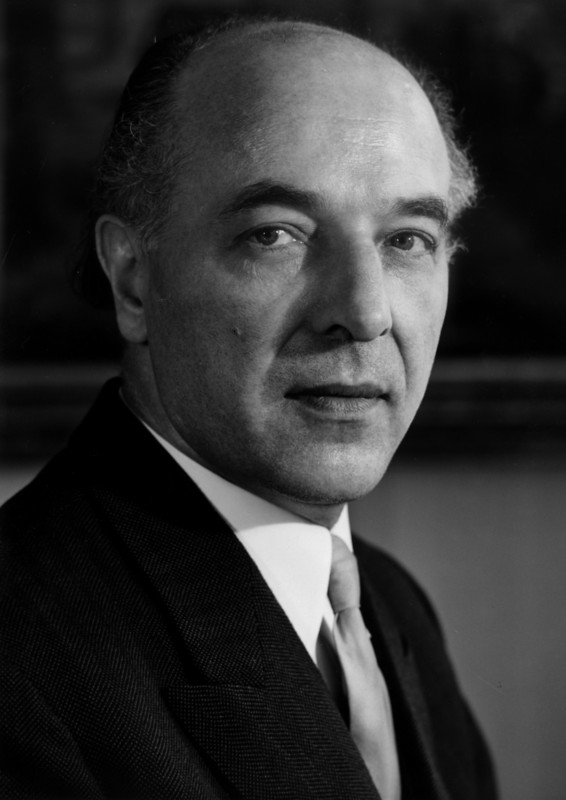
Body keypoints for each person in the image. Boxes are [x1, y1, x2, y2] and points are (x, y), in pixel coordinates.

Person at [0, 15, 497, 800]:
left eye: (406, 240)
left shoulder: (394, 607)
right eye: (277, 235)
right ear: (133, 279)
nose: (365, 312)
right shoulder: (23, 654)